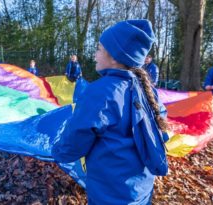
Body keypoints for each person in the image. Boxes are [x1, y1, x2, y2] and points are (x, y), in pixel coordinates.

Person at [52, 20, 169, 204]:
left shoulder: (100, 92)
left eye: (98, 49)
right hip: (141, 191)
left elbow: (75, 140)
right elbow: (162, 133)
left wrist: (57, 151)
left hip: (109, 193)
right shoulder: (149, 91)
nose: (94, 55)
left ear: (114, 56)